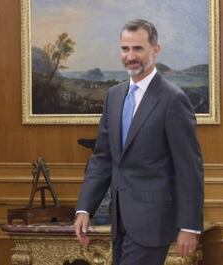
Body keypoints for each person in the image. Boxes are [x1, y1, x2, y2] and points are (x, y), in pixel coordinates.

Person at [74, 19, 204, 265]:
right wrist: (85, 208)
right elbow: (103, 157)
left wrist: (190, 225)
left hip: (153, 222)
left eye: (138, 48)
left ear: (155, 50)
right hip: (119, 219)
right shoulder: (114, 96)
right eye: (125, 49)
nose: (130, 56)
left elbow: (189, 167)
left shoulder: (173, 99)